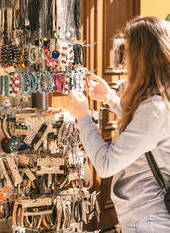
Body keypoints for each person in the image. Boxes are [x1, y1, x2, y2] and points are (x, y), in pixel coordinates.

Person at [67, 16, 170, 232]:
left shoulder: (155, 109)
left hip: (148, 218)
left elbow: (106, 165)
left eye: (128, 52)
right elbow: (145, 135)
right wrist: (111, 99)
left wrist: (83, 118)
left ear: (142, 58)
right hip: (149, 215)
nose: (125, 61)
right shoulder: (162, 100)